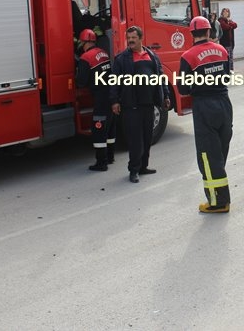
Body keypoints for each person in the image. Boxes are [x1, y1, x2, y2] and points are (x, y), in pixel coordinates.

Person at [179, 16, 233, 213]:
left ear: (191, 34)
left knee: (208, 157)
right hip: (224, 103)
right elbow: (227, 75)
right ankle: (220, 195)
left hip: (204, 106)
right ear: (209, 31)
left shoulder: (188, 56)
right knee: (219, 151)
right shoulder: (222, 50)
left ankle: (218, 202)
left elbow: (183, 88)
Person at [110, 26, 171, 183]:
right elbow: (114, 82)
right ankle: (134, 170)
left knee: (147, 138)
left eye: (133, 38)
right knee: (135, 140)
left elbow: (161, 77)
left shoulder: (152, 56)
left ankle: (144, 167)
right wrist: (115, 101)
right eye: (128, 38)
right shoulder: (122, 59)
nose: (130, 41)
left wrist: (166, 96)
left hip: (149, 105)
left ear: (140, 38)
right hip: (132, 106)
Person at [76, 28, 117, 172]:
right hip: (111, 95)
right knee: (110, 126)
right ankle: (111, 156)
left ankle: (102, 163)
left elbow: (81, 81)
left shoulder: (85, 58)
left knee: (98, 128)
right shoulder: (103, 53)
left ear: (83, 42)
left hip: (100, 98)